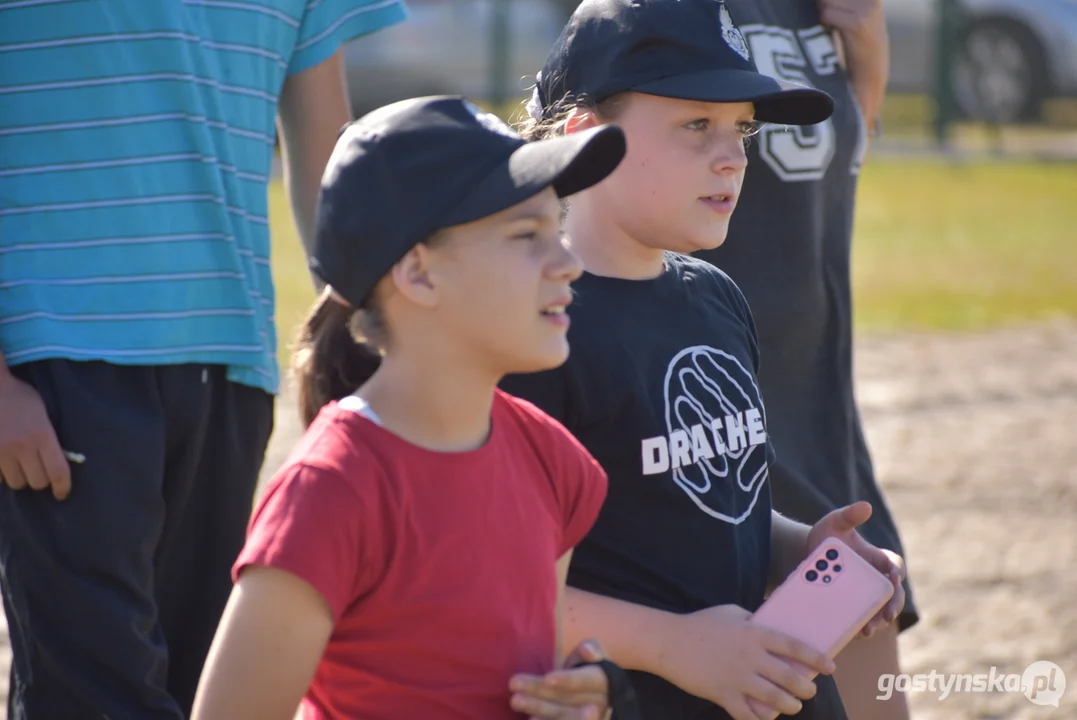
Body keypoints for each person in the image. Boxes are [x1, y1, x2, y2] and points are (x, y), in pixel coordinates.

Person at [499, 0, 907, 718]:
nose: (732, 157)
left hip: (751, 689)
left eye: (740, 128)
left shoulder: (713, 296)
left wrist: (800, 546)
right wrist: (674, 646)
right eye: (696, 126)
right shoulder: (537, 332)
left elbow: (713, 513)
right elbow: (497, 585)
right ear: (586, 138)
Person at [0, 1, 405, 717]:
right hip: (52, 364)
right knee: (94, 696)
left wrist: (381, 357)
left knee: (200, 691)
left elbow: (326, 163)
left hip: (233, 365)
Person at [190, 95, 629, 720]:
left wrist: (582, 701)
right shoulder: (330, 492)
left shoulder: (555, 461)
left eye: (553, 227)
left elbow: (523, 678)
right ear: (419, 274)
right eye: (526, 235)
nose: (568, 262)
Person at [695, 1, 917, 716]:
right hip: (719, 436)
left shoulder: (823, 7)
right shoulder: (662, 14)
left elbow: (819, 178)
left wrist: (867, 68)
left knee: (866, 700)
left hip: (821, 429)